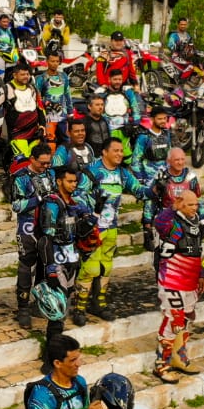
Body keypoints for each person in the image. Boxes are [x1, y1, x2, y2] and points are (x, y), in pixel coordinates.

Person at [81, 138, 149, 321]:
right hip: (93, 229)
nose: (120, 154)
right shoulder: (92, 171)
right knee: (89, 268)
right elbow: (78, 196)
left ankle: (99, 304)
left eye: (121, 151)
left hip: (111, 227)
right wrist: (89, 215)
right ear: (104, 152)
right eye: (116, 150)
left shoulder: (123, 173)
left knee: (106, 267)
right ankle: (79, 308)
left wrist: (156, 190)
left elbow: (139, 190)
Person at [37, 164, 99, 336]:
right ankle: (53, 343)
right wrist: (50, 269)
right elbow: (46, 239)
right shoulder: (52, 204)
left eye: (75, 181)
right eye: (69, 181)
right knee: (58, 305)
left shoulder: (75, 204)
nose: (73, 185)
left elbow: (82, 231)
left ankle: (58, 342)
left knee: (66, 299)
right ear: (59, 181)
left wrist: (96, 213)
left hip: (72, 259)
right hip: (57, 261)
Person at [152, 190, 204, 382]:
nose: (194, 208)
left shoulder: (196, 222)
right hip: (172, 278)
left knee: (188, 317)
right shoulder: (172, 222)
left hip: (190, 278)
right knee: (174, 320)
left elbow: (198, 249)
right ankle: (161, 365)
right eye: (190, 204)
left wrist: (201, 274)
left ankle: (178, 358)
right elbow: (159, 223)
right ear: (181, 204)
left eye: (196, 204)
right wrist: (171, 208)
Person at [12, 145, 58, 329]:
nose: (45, 166)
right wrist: (37, 199)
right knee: (26, 266)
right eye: (42, 163)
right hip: (28, 227)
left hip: (48, 226)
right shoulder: (21, 177)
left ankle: (39, 302)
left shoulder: (51, 174)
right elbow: (16, 205)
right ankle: (22, 308)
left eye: (48, 163)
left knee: (44, 265)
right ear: (32, 159)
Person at [146, 147, 204, 257]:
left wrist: (202, 219)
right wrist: (147, 222)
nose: (180, 162)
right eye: (177, 159)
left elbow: (199, 198)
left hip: (188, 221)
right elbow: (151, 200)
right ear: (169, 161)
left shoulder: (190, 177)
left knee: (189, 253)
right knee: (165, 254)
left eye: (182, 159)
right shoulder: (161, 177)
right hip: (167, 222)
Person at [4, 59, 45, 157]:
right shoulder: (6, 89)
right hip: (17, 134)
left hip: (34, 133)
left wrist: (42, 125)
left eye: (27, 74)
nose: (26, 76)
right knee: (23, 160)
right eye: (22, 74)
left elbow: (40, 108)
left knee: (36, 159)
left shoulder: (33, 89)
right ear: (15, 75)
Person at [36, 51, 74, 147]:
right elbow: (37, 97)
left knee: (66, 140)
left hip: (63, 115)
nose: (55, 64)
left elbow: (67, 94)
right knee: (50, 141)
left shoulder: (64, 76)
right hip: (49, 116)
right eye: (52, 61)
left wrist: (70, 112)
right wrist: (47, 103)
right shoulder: (41, 78)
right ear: (47, 61)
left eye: (57, 61)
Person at [103, 68, 142, 156]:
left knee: (127, 157)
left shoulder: (128, 92)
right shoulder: (102, 93)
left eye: (120, 79)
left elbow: (135, 108)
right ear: (109, 79)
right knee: (111, 155)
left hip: (125, 129)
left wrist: (134, 124)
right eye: (115, 79)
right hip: (108, 130)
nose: (118, 82)